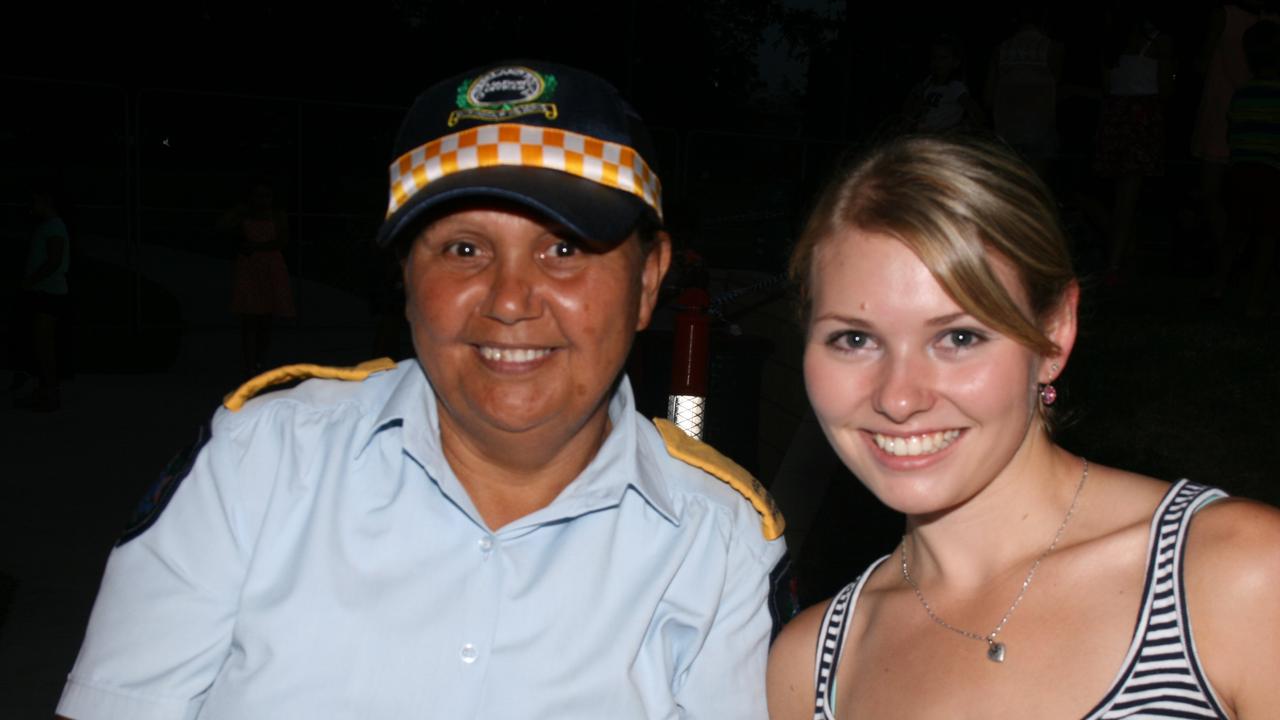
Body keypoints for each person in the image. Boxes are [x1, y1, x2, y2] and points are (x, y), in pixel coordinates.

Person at [57, 60, 788, 720]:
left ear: (649, 281)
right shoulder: (262, 462)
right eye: (463, 249)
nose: (509, 299)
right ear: (406, 279)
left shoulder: (718, 546)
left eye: (564, 250)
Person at [767, 135, 1280, 718]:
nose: (899, 397)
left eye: (959, 337)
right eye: (854, 340)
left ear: (1056, 333)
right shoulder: (809, 667)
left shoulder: (1239, 576)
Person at [220, 180, 295, 376]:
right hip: (249, 268)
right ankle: (249, 363)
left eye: (266, 196)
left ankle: (260, 361)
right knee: (249, 317)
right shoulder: (243, 215)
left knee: (266, 318)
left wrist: (258, 247)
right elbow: (223, 227)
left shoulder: (277, 216)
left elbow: (282, 240)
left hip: (270, 268)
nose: (262, 200)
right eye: (258, 195)